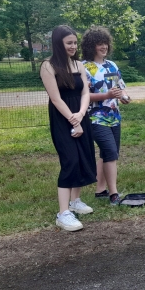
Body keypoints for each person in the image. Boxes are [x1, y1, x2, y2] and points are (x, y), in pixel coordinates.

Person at [40, 25, 97, 232]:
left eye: (74, 42)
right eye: (69, 43)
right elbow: (55, 98)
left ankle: (76, 201)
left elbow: (85, 93)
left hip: (80, 115)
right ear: (58, 44)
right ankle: (63, 213)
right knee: (70, 160)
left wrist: (81, 114)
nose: (73, 46)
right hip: (62, 117)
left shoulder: (78, 65)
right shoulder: (48, 66)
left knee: (83, 157)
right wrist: (74, 121)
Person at [81, 26, 131, 206]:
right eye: (99, 44)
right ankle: (114, 194)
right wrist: (106, 96)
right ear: (91, 46)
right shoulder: (84, 67)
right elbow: (83, 96)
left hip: (114, 116)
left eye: (106, 43)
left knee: (108, 153)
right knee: (110, 152)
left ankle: (100, 189)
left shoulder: (112, 65)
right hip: (94, 117)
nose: (104, 47)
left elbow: (120, 87)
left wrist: (124, 97)